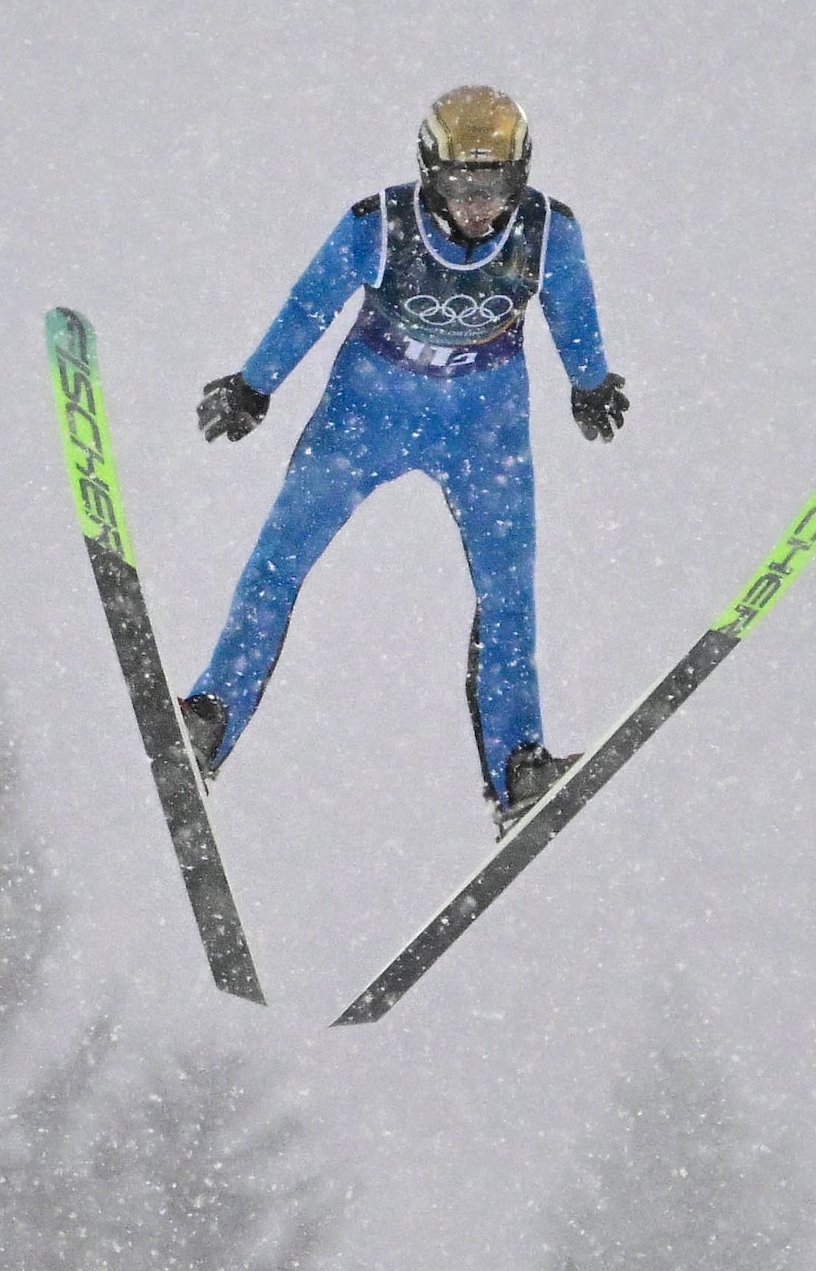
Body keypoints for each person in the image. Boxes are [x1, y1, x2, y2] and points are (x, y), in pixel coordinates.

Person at [181, 84, 633, 831]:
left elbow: (572, 305)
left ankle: (518, 767)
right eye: (463, 185)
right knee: (279, 559)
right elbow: (309, 305)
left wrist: (591, 383)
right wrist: (254, 385)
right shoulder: (379, 224)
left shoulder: (548, 232)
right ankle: (209, 718)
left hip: (484, 426)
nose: (480, 206)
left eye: (497, 187)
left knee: (508, 592)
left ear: (521, 180)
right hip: (365, 414)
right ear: (431, 173)